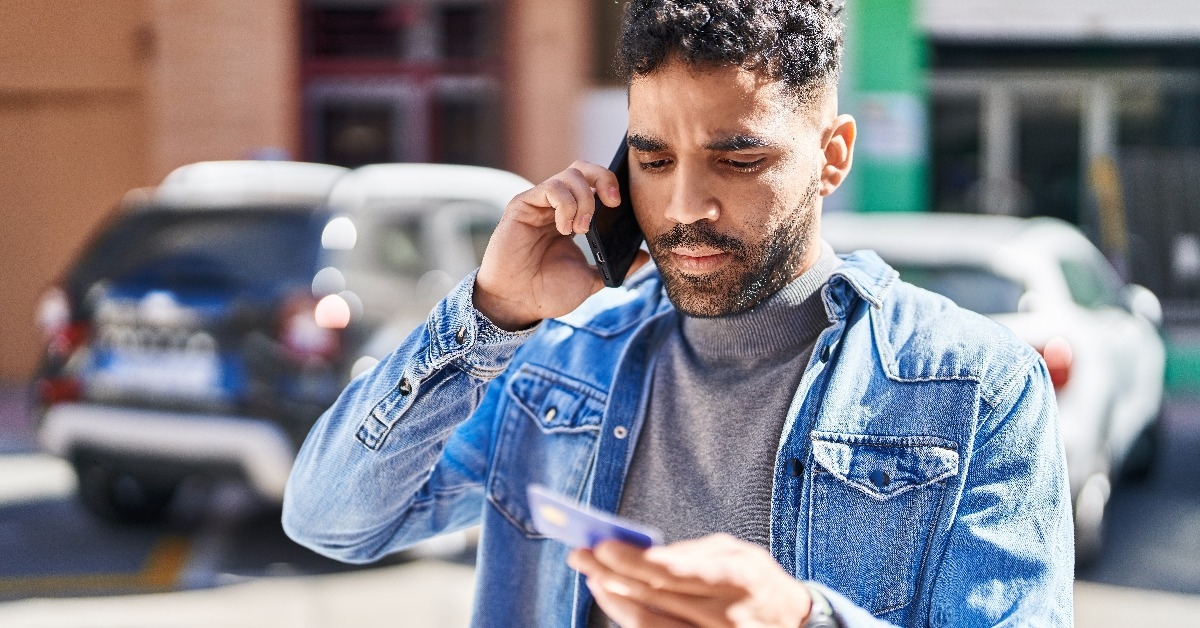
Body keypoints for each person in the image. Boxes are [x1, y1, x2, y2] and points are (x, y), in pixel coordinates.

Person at [282, 1, 1074, 626]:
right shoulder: (561, 362)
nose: (686, 205)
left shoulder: (977, 388)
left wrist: (801, 623)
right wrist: (493, 315)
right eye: (654, 159)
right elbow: (331, 520)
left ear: (832, 156)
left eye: (739, 159)